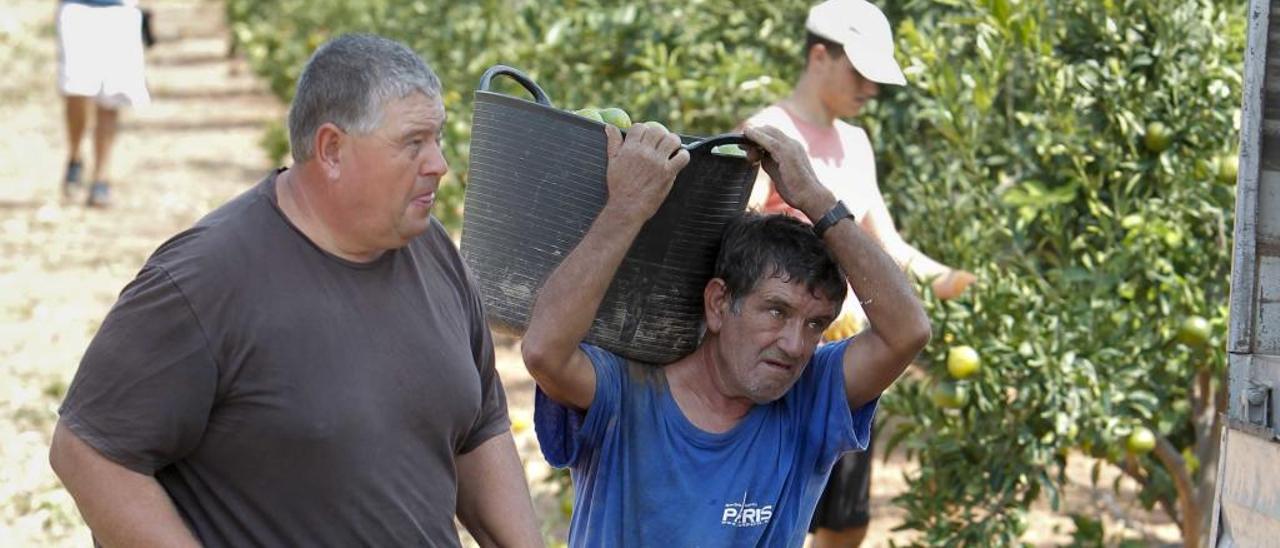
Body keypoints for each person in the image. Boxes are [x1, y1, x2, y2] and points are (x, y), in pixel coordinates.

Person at [48, 34, 542, 547]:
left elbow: (480, 425)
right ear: (331, 149)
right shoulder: (205, 279)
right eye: (413, 142)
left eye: (437, 139)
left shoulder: (432, 251)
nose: (438, 163)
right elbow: (88, 453)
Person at [523, 121, 932, 546]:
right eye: (776, 311)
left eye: (815, 324)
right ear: (719, 303)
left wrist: (815, 197)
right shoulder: (628, 391)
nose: (794, 345)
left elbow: (908, 331)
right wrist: (628, 206)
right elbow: (543, 353)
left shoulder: (811, 398)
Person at [743, 2, 977, 545]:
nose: (870, 89)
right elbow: (738, 230)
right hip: (779, 358)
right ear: (820, 55)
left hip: (844, 362)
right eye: (861, 73)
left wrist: (956, 282)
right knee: (770, 512)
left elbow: (886, 248)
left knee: (846, 522)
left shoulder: (857, 144)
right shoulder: (770, 131)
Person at [56, 0, 152, 207]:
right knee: (76, 90)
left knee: (112, 98)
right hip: (77, 7)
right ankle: (75, 156)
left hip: (121, 9)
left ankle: (101, 178)